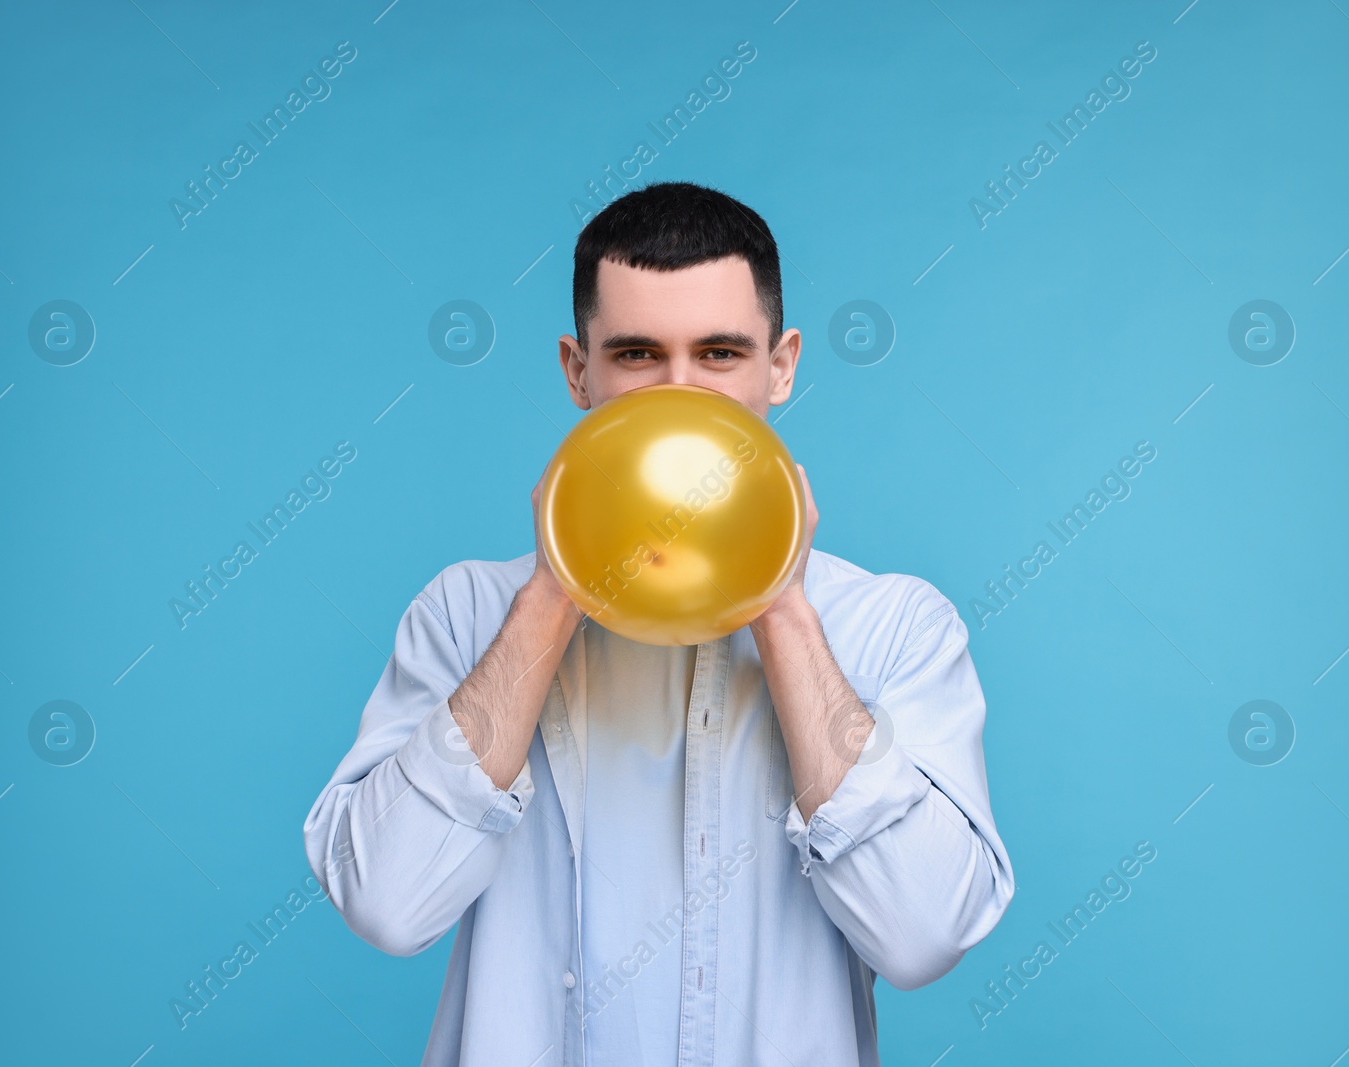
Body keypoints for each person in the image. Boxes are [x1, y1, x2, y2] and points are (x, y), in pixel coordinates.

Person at [302, 180, 1015, 1066]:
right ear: (578, 371)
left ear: (782, 365)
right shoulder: (468, 613)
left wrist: (783, 604)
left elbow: (920, 937)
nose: (679, 397)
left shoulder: (892, 627)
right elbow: (388, 904)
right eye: (638, 355)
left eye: (720, 354)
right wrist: (557, 589)